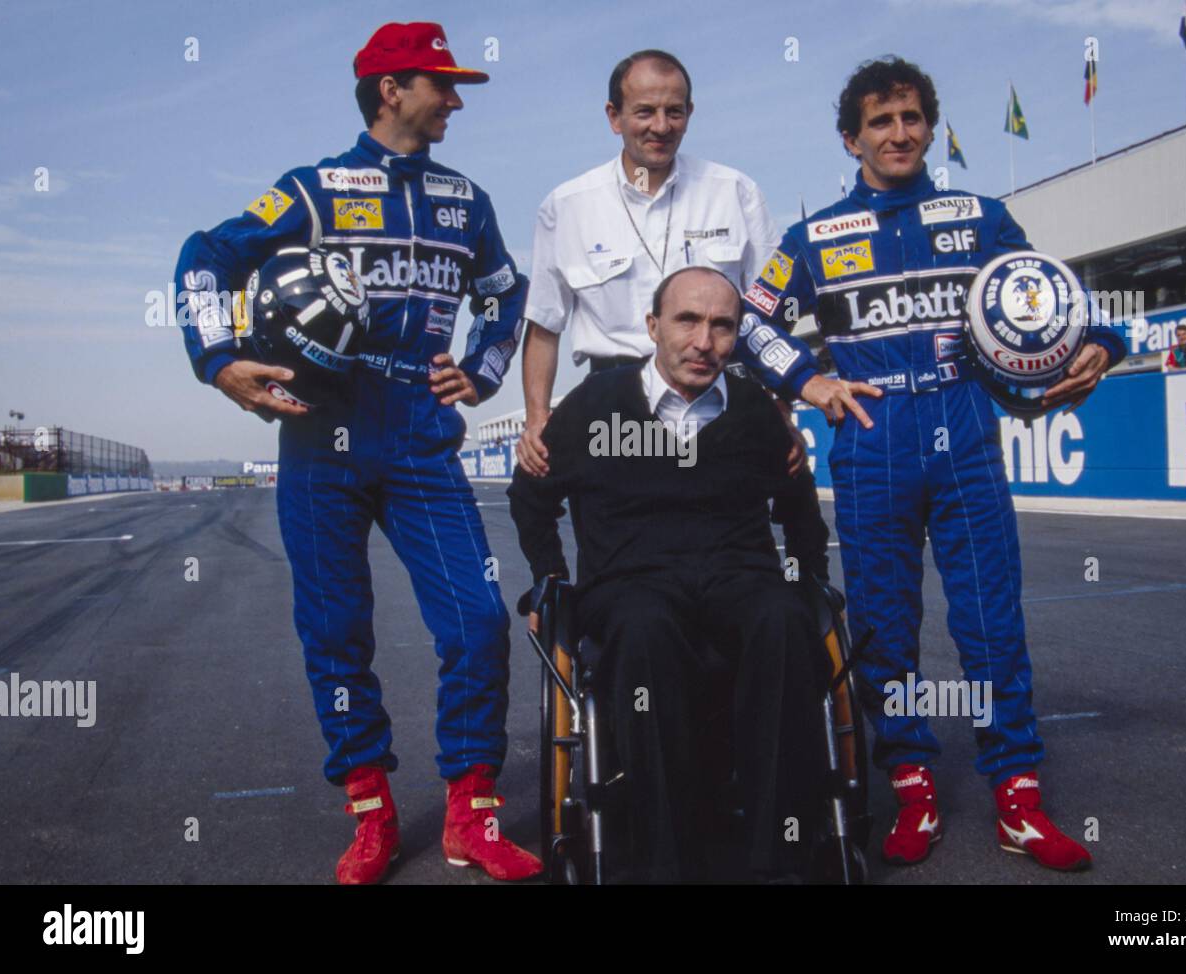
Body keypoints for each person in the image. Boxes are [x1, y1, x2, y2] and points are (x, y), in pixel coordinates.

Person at [736, 56, 1127, 872]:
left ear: (929, 125)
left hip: (965, 430)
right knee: (885, 629)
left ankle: (1017, 795)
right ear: (853, 138)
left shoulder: (981, 216)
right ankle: (912, 785)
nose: (899, 133)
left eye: (911, 117)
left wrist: (1101, 340)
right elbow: (747, 322)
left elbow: (1055, 296)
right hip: (873, 439)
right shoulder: (814, 236)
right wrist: (808, 379)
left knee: (990, 622)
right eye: (881, 121)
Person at [173, 21, 541, 885]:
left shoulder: (466, 201)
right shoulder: (312, 188)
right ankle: (372, 812)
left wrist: (481, 374)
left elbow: (506, 293)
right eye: (441, 85)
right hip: (319, 443)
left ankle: (471, 814)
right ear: (391, 89)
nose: (454, 100)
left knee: (479, 623)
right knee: (337, 633)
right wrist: (219, 360)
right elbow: (206, 256)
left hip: (422, 438)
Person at [508, 267, 832, 883]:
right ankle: (666, 863)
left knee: (785, 617)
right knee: (645, 626)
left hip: (739, 579)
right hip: (633, 583)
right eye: (687, 320)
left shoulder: (757, 416)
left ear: (738, 336)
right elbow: (532, 496)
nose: (703, 342)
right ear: (653, 326)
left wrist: (809, 576)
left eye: (722, 326)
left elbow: (799, 510)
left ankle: (778, 860)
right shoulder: (597, 405)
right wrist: (548, 576)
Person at [516, 49, 815, 479]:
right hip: (615, 407)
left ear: (690, 113)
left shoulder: (735, 191)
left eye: (674, 111)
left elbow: (775, 310)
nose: (661, 126)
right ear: (613, 116)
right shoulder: (566, 207)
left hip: (719, 400)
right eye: (645, 112)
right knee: (616, 542)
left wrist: (780, 405)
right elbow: (544, 325)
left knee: (731, 538)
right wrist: (537, 418)